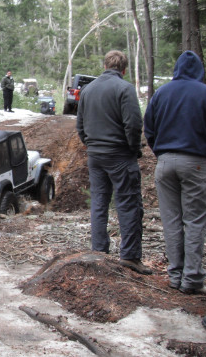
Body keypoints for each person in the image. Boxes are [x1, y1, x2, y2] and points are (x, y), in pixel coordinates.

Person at [144, 50, 206, 295]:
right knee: (195, 221)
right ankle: (192, 280)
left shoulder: (161, 94)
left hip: (165, 163)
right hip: (196, 161)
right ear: (199, 70)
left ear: (176, 69)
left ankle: (175, 275)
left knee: (171, 221)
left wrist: (163, 156)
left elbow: (149, 129)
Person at [76, 50, 151, 275]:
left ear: (105, 65)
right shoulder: (125, 88)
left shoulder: (88, 90)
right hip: (119, 154)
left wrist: (90, 144)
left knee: (99, 203)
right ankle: (129, 256)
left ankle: (99, 252)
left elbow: (79, 125)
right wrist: (133, 148)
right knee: (128, 203)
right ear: (124, 69)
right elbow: (134, 124)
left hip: (96, 155)